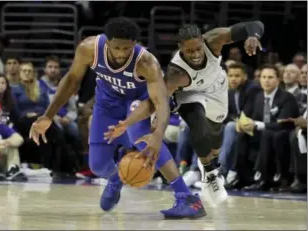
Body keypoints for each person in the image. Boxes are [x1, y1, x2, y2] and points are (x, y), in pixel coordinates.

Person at [29, 17, 205, 219]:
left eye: (126, 49)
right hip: (107, 106)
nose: (121, 53)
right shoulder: (89, 48)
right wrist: (48, 115)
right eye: (116, 48)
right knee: (97, 165)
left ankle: (187, 198)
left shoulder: (147, 62)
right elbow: (71, 80)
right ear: (107, 41)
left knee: (144, 140)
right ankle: (117, 178)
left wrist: (157, 135)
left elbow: (161, 101)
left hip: (137, 105)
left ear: (135, 44)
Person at [105, 21, 264, 205]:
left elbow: (255, 24)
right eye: (189, 51)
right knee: (197, 123)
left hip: (215, 88)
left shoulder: (214, 39)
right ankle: (210, 175)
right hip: (189, 94)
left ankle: (210, 168)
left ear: (203, 43)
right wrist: (128, 122)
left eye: (198, 49)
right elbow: (154, 102)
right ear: (180, 48)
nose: (195, 54)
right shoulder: (175, 73)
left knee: (214, 139)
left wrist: (253, 36)